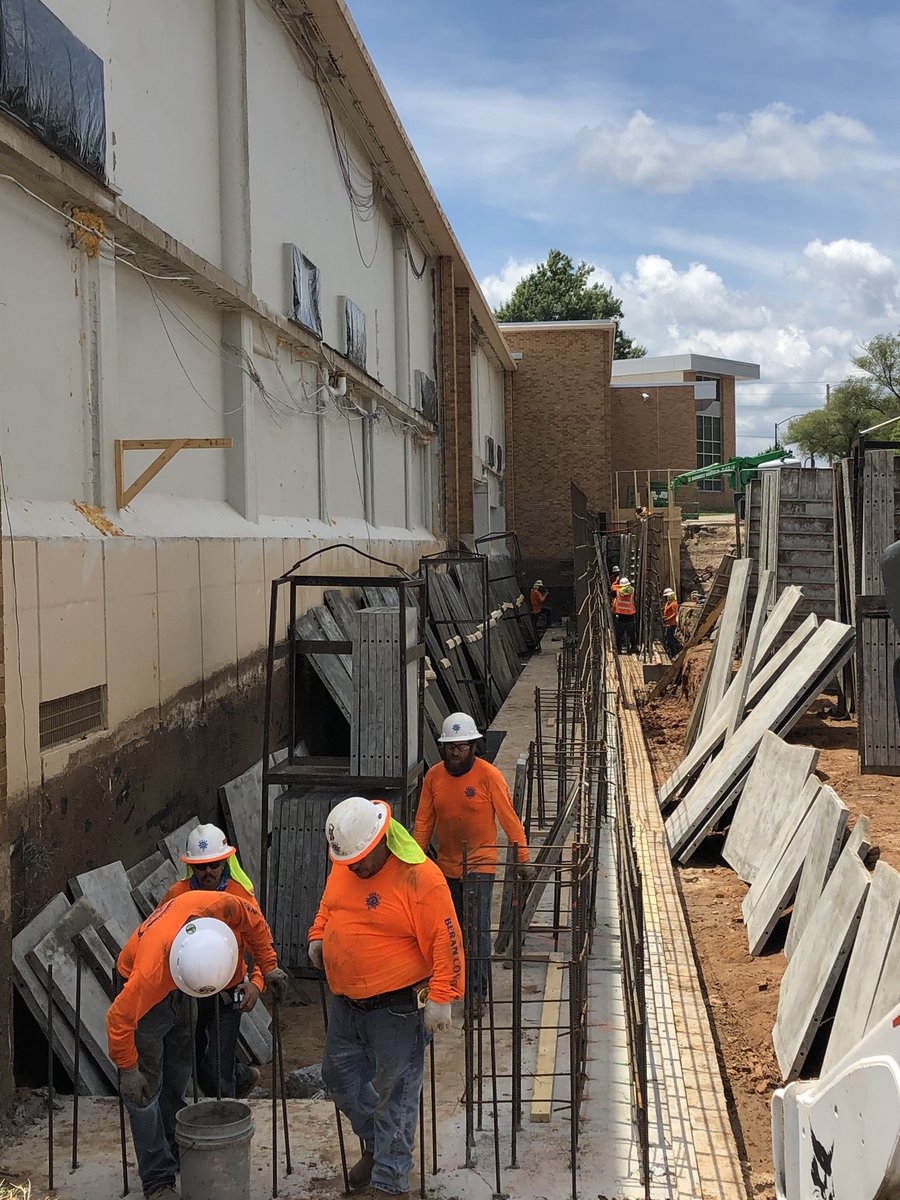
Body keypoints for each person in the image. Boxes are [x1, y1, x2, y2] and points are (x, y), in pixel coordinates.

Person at [308, 796, 463, 1199]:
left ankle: (391, 1181)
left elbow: (447, 940)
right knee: (337, 1076)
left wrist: (443, 995)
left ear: (381, 840)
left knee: (396, 1091)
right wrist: (319, 934)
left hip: (396, 1008)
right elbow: (330, 904)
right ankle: (378, 1145)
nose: (353, 867)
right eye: (346, 862)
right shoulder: (347, 864)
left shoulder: (419, 878)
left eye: (359, 859)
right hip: (347, 1003)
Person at [107, 890, 288, 1200]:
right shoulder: (148, 978)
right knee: (145, 1092)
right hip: (145, 1000)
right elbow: (118, 1019)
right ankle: (158, 1181)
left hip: (180, 986)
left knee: (179, 1067)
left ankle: (174, 1143)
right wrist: (127, 1068)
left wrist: (267, 965)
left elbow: (252, 919)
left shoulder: (219, 907)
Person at [413, 712, 531, 1008]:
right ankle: (453, 985)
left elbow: (510, 820)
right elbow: (424, 822)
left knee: (476, 930)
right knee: (450, 930)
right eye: (450, 747)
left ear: (473, 747)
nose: (455, 753)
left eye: (461, 747)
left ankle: (477, 993)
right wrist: (415, 863)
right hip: (447, 865)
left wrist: (523, 857)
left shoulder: (488, 777)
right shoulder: (434, 777)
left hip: (480, 863)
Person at [161, 824, 262, 1100]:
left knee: (218, 1071)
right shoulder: (176, 896)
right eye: (200, 866)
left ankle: (226, 1114)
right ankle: (241, 1076)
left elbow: (260, 943)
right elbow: (160, 939)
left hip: (227, 994)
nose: (207, 872)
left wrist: (256, 983)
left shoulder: (240, 896)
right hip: (185, 994)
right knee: (190, 1058)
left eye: (214, 865)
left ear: (225, 861)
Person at [613, 576, 638, 654]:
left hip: (621, 616)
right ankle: (633, 647)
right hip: (630, 616)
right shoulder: (633, 591)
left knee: (619, 635)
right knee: (632, 634)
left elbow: (612, 589)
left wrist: (616, 583)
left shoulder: (618, 591)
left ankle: (618, 649)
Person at [662, 587, 679, 659]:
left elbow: (675, 614)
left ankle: (674, 654)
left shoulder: (674, 604)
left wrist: (667, 619)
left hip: (672, 624)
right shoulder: (667, 603)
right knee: (668, 639)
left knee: (671, 639)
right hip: (667, 624)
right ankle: (670, 653)